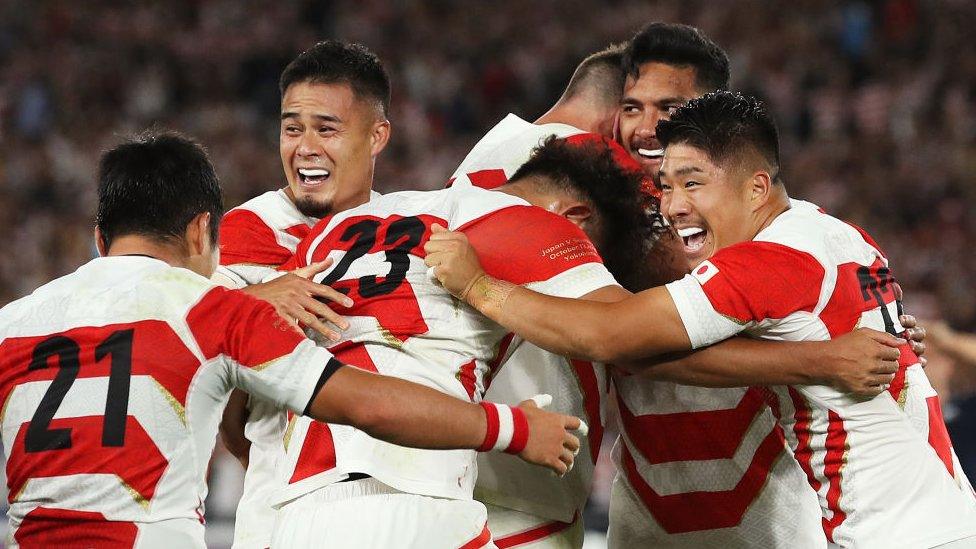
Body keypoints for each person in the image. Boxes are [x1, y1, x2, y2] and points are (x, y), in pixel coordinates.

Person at [425, 91, 976, 549]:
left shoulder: (769, 261)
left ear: (757, 187)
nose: (673, 206)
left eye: (693, 183)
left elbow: (610, 336)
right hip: (941, 513)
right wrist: (818, 359)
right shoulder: (839, 234)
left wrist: (479, 286)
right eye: (666, 185)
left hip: (897, 533)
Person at [0, 132, 581, 549]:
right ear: (204, 229)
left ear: (99, 238)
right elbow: (367, 404)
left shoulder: (12, 323)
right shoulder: (213, 312)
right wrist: (514, 428)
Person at [212, 40, 392, 549]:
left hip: (399, 502)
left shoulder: (403, 227)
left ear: (377, 136)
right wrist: (253, 305)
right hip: (283, 509)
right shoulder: (247, 232)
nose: (305, 146)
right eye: (292, 129)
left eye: (326, 129)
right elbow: (186, 351)